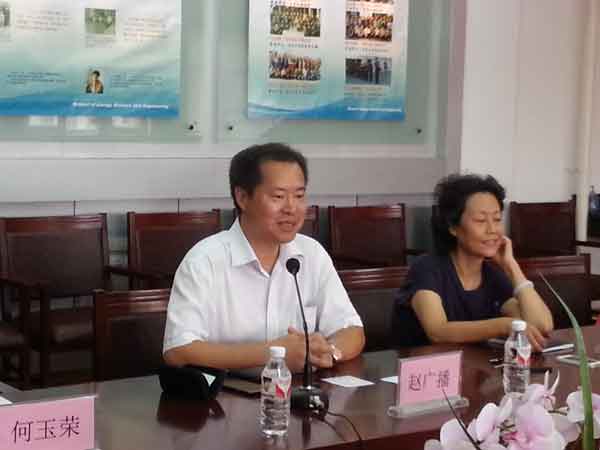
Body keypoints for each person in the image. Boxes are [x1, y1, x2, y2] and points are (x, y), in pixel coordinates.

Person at [163, 143, 365, 373]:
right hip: (228, 393)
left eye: (299, 195)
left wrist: (328, 353)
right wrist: (274, 354)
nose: (291, 208)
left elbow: (352, 330)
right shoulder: (203, 261)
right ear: (242, 197)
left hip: (298, 390)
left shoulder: (311, 254)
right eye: (278, 196)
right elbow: (178, 351)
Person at [392, 174, 553, 351]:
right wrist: (504, 325)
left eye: (497, 219)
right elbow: (438, 331)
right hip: (421, 366)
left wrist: (511, 267)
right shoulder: (427, 268)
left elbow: (541, 326)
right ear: (453, 227)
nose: (492, 229)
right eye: (480, 220)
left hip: (474, 366)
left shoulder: (492, 275)